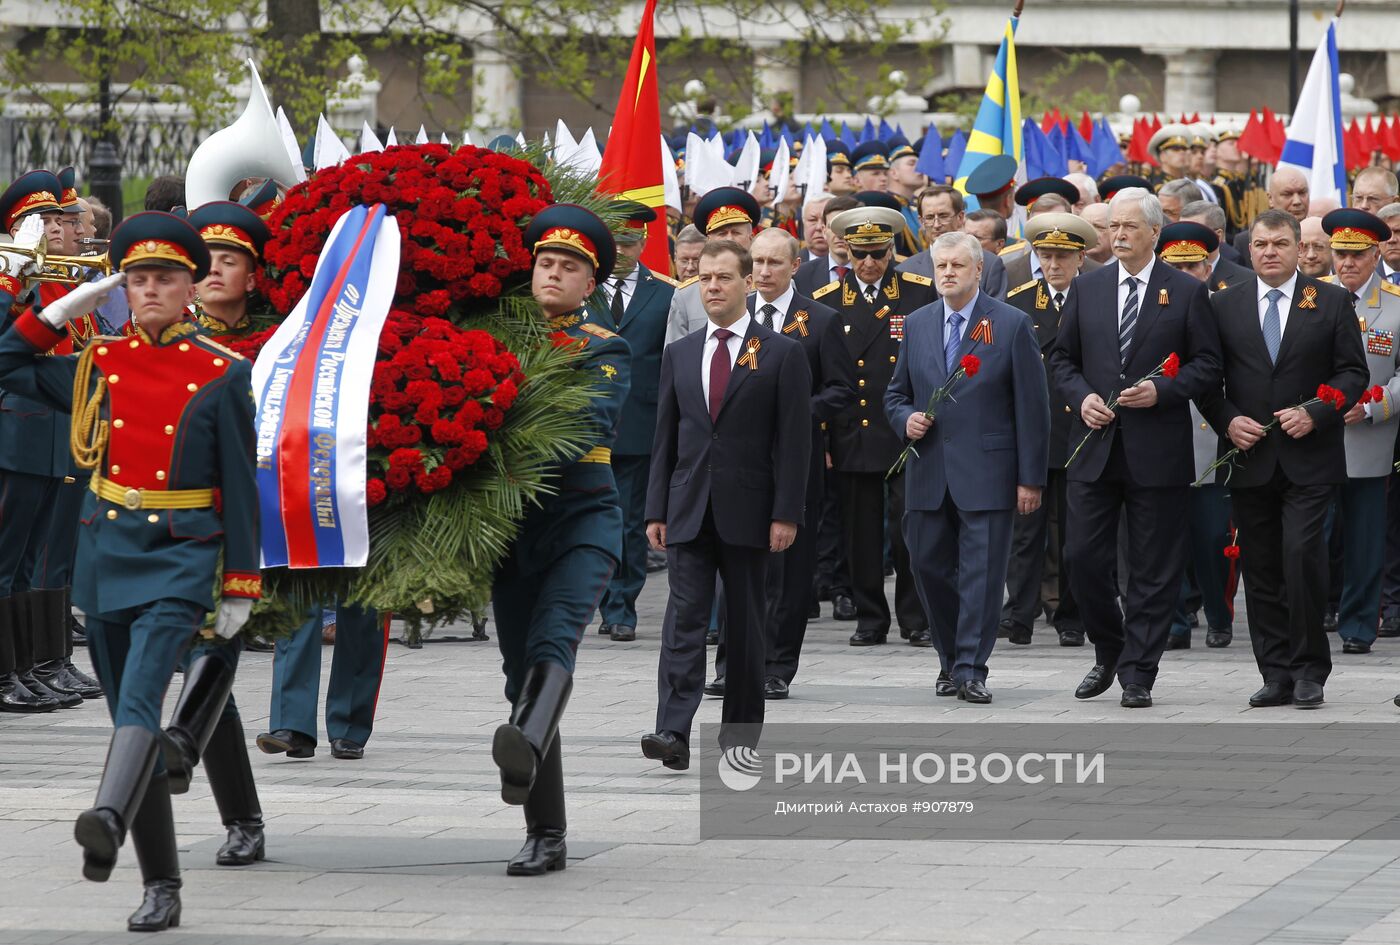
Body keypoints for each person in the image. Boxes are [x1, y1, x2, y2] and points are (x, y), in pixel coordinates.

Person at [0, 210, 259, 931]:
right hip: (108, 549)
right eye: (138, 278)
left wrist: (240, 581)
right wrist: (54, 313)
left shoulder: (222, 372)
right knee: (129, 721)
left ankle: (108, 815)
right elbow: (7, 367)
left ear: (190, 288)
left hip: (182, 552)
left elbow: (242, 486)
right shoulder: (98, 361)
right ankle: (162, 883)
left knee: (143, 700)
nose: (149, 290)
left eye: (166, 279)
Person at [492, 204, 631, 874]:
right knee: (521, 673)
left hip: (580, 522)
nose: (553, 272)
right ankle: (544, 827)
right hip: (512, 530)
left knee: (555, 643)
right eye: (545, 262)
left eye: (568, 266)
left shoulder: (603, 346)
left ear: (589, 283)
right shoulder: (498, 339)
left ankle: (526, 753)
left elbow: (584, 424)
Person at [1049, 187, 1222, 709]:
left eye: (1128, 227)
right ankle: (1110, 648)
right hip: (1095, 445)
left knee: (1152, 566)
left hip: (1157, 449)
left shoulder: (1185, 292)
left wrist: (1162, 390)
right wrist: (1081, 400)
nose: (1118, 234)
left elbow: (1207, 366)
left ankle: (1139, 671)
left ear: (1154, 233)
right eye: (1112, 227)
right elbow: (1061, 361)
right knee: (1082, 558)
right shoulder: (1088, 288)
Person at [642, 239, 810, 769]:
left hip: (751, 511)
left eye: (722, 278)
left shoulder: (782, 353)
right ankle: (671, 730)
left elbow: (794, 441)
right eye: (703, 278)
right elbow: (665, 437)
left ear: (745, 284)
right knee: (683, 619)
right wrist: (655, 509)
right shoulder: (681, 352)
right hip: (689, 506)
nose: (711, 286)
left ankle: (739, 736)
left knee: (743, 626)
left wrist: (786, 513)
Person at [1198, 209, 1368, 709]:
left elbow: (1352, 374)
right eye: (1260, 245)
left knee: (1301, 556)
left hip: (1309, 458)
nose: (1269, 252)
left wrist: (1317, 412)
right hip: (1250, 455)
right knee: (1262, 566)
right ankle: (1275, 672)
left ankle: (1310, 668)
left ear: (1299, 248)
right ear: (1247, 251)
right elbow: (1208, 379)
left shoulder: (1331, 300)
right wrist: (1227, 419)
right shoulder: (1223, 305)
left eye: (1279, 243)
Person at [887, 231, 1049, 703]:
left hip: (988, 471)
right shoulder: (916, 323)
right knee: (927, 567)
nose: (948, 273)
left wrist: (1030, 478)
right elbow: (895, 393)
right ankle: (949, 657)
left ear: (979, 270)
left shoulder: (1011, 323)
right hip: (929, 470)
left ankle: (971, 668)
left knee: (981, 575)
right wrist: (904, 418)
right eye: (941, 266)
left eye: (958, 265)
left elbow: (1032, 408)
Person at [723, 227, 854, 698]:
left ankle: (777, 664)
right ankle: (731, 664)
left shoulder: (819, 320)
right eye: (756, 262)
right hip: (740, 462)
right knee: (737, 562)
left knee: (790, 566)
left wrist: (793, 414)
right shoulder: (734, 317)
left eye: (774, 263)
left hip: (795, 462)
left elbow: (840, 390)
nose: (762, 272)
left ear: (795, 266)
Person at [0, 169, 100, 713]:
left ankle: (37, 663)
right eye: (52, 221)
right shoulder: (18, 279)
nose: (65, 229)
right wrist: (13, 274)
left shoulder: (59, 281)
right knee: (12, 558)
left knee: (41, 555)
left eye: (63, 220)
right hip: (20, 429)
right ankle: (16, 668)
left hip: (60, 431)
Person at [817, 205, 936, 646]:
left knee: (909, 532)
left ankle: (915, 617)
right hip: (855, 430)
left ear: (892, 251)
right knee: (861, 534)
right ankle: (870, 617)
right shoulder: (829, 302)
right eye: (860, 254)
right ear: (846, 252)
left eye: (879, 254)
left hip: (906, 431)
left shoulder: (919, 293)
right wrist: (826, 436)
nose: (869, 264)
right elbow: (826, 375)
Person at [1002, 213, 1097, 648]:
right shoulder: (1019, 301)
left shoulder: (1094, 298)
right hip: (1034, 433)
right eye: (1046, 255)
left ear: (1080, 258)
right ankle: (1019, 614)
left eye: (1062, 256)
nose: (1053, 264)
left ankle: (1070, 615)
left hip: (1081, 430)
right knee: (1026, 531)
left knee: (1075, 532)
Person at [592, 202, 677, 642]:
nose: (621, 252)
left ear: (644, 242)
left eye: (629, 242)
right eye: (615, 242)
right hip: (586, 425)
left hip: (640, 426)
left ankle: (621, 606)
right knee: (588, 518)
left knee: (628, 520)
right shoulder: (583, 288)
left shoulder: (666, 293)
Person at [1319, 209, 1400, 655]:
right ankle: (1313, 616)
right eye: (1340, 254)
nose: (1347, 263)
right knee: (1313, 537)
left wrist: (1373, 405)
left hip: (1369, 438)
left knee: (1366, 541)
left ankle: (1358, 626)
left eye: (1357, 255)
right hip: (1316, 437)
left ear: (1375, 255)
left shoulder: (1395, 304)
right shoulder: (1313, 297)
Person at [1155, 222, 1238, 650]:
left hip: (1211, 433)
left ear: (1209, 267)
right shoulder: (1154, 305)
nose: (1186, 274)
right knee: (1166, 534)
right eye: (1176, 265)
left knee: (1211, 537)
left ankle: (1219, 615)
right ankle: (1174, 623)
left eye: (1194, 265)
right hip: (1165, 426)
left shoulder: (1225, 308)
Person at [664, 187, 761, 344]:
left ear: (751, 237)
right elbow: (676, 360)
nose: (729, 239)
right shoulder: (686, 296)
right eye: (721, 233)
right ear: (708, 241)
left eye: (736, 232)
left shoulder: (772, 284)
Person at [897, 184, 1008, 299]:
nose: (936, 225)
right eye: (929, 218)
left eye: (943, 216)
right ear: (921, 222)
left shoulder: (989, 265)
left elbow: (997, 313)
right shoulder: (905, 271)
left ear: (960, 217)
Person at [1231, 168, 1309, 268]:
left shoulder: (1323, 234)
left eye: (1302, 193)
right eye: (1287, 194)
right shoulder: (1244, 241)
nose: (1297, 201)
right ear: (1270, 199)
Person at [1180, 200, 1253, 291]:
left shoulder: (1246, 281)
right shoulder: (1168, 274)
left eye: (1194, 233)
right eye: (1181, 232)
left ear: (1217, 236)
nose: (1184, 240)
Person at [794, 195, 858, 298]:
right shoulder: (800, 275)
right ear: (825, 230)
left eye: (846, 227)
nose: (839, 234)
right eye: (833, 227)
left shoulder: (872, 270)